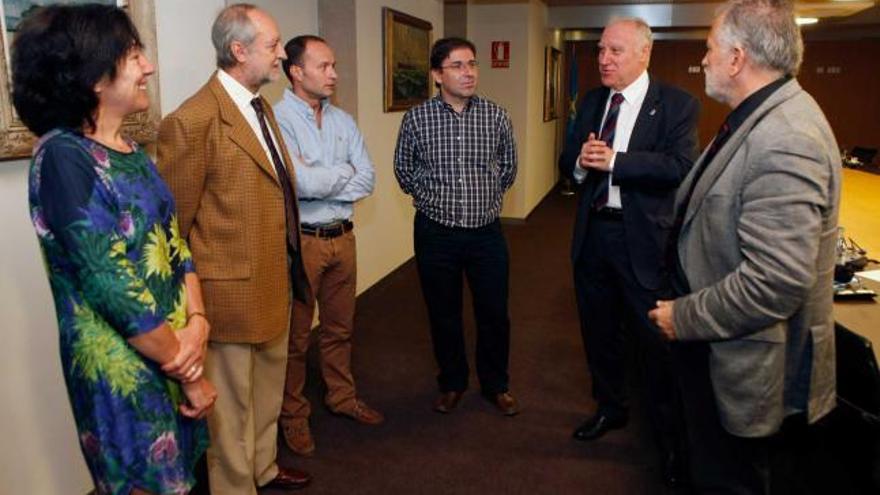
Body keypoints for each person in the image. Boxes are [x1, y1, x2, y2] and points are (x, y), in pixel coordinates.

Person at [13, 4, 216, 494]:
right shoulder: (64, 157)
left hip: (172, 351)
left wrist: (200, 322)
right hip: (123, 375)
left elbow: (175, 244)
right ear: (92, 75)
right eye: (131, 55)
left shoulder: (130, 151)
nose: (148, 66)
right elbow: (111, 285)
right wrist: (188, 370)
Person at [648, 0, 840, 491]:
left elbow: (774, 283)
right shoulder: (761, 112)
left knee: (729, 477)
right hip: (718, 343)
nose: (705, 58)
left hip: (743, 354)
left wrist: (683, 316)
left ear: (737, 58)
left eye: (710, 48)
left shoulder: (785, 135)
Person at [156, 3, 311, 493]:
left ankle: (263, 467)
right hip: (226, 294)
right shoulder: (193, 120)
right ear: (238, 50)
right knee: (229, 410)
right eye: (272, 45)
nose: (282, 54)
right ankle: (235, 485)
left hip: (273, 280)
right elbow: (172, 227)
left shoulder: (259, 106)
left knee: (266, 394)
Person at [557, 16, 699, 485]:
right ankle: (611, 408)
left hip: (642, 241)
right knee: (599, 333)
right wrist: (578, 164)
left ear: (644, 53)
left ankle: (669, 442)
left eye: (615, 51)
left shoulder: (676, 104)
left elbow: (679, 166)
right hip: (593, 235)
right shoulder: (594, 101)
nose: (603, 59)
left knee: (653, 347)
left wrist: (616, 161)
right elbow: (567, 161)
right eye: (600, 50)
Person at [394, 37, 519, 416]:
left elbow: (508, 168)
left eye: (473, 64)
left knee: (494, 312)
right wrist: (431, 198)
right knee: (443, 311)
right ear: (437, 74)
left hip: (486, 234)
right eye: (458, 65)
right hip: (437, 233)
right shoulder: (416, 118)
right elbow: (404, 170)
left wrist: (485, 196)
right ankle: (451, 382)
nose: (469, 73)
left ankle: (496, 385)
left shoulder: (495, 116)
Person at [273, 35, 381, 457]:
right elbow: (298, 184)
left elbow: (367, 177)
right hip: (304, 243)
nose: (334, 73)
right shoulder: (277, 120)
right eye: (324, 66)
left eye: (334, 65)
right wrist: (339, 177)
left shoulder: (344, 121)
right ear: (296, 71)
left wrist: (323, 178)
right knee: (296, 337)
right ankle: (293, 417)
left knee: (340, 329)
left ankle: (341, 397)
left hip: (343, 239)